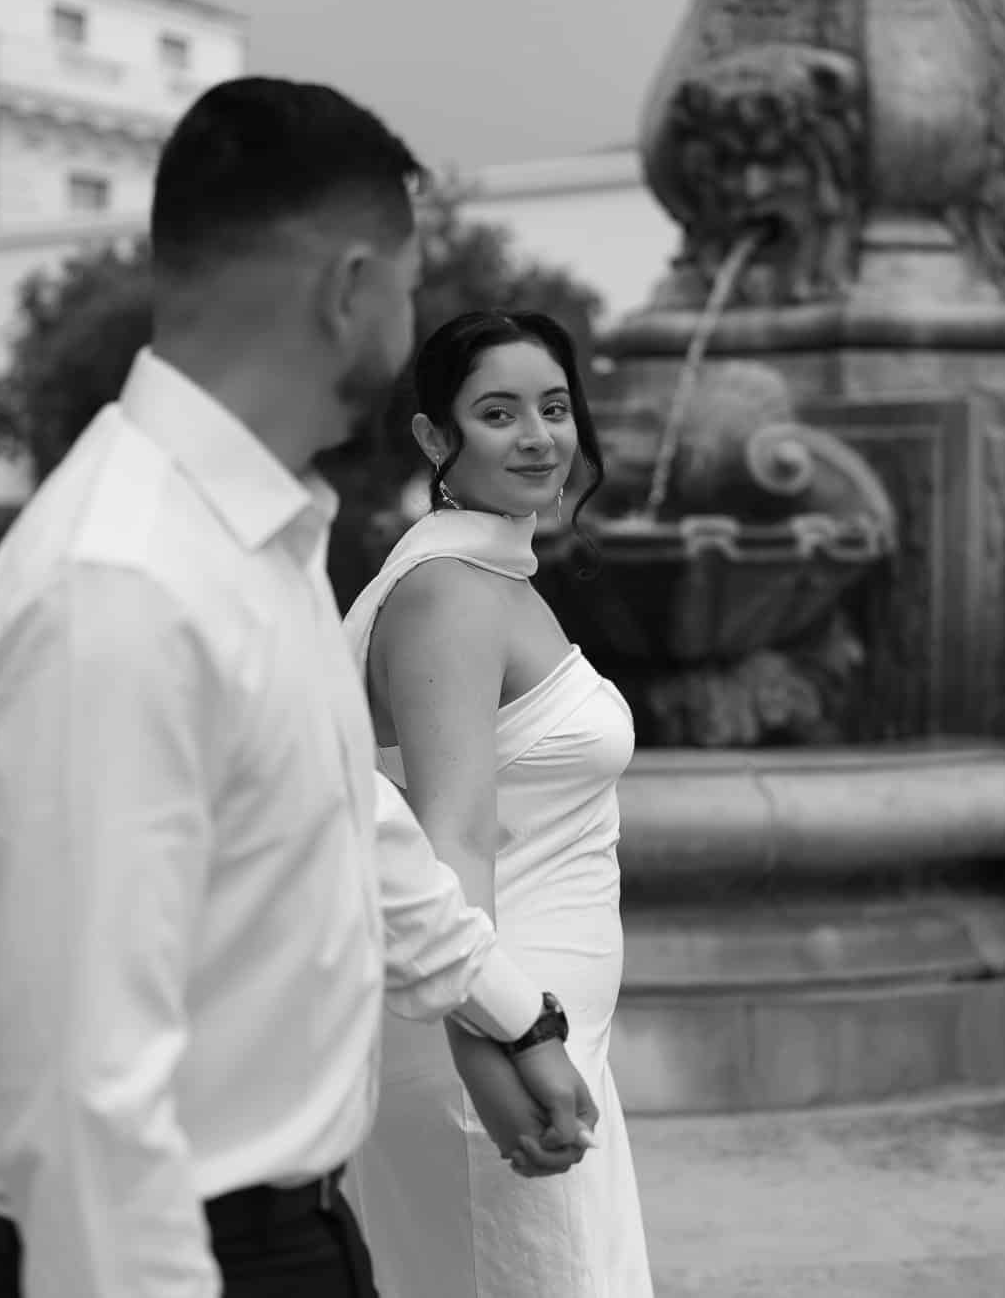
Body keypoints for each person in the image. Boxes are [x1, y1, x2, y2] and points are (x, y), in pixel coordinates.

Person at [0, 79, 600, 1298]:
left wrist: (511, 1013)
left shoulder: (256, 534)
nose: (409, 325)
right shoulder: (117, 586)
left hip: (287, 1224)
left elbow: (360, 826)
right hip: (164, 1245)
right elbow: (91, 1104)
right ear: (348, 289)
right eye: (405, 286)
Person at [340, 310, 656, 1296]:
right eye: (497, 411)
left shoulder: (490, 571)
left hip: (539, 1038)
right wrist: (500, 1059)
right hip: (491, 1058)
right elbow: (453, 840)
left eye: (554, 407)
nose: (537, 435)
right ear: (437, 439)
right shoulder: (447, 596)